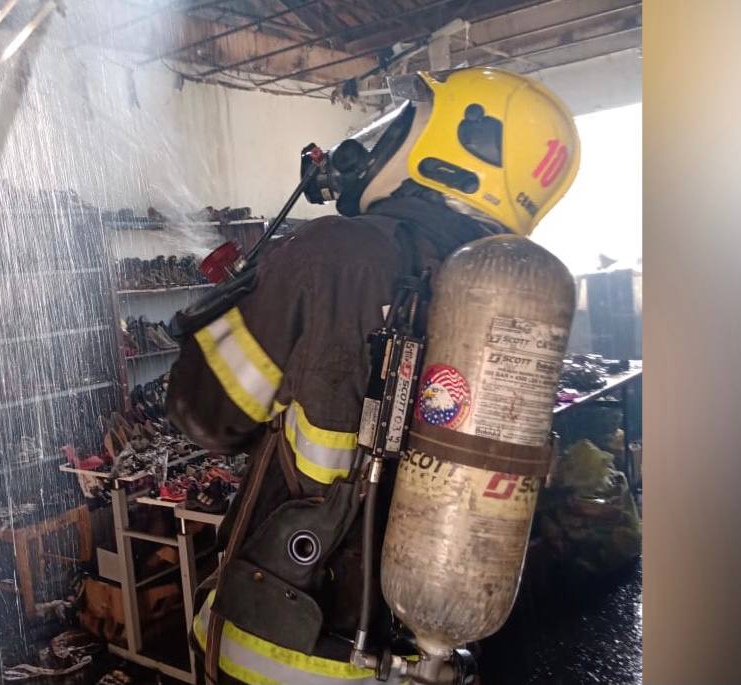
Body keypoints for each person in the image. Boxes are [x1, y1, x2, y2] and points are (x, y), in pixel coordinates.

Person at [167, 67, 581, 685]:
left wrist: (240, 305)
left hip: (287, 643)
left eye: (408, 119)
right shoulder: (512, 296)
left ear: (454, 148)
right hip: (428, 649)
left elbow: (204, 415)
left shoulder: (335, 251)